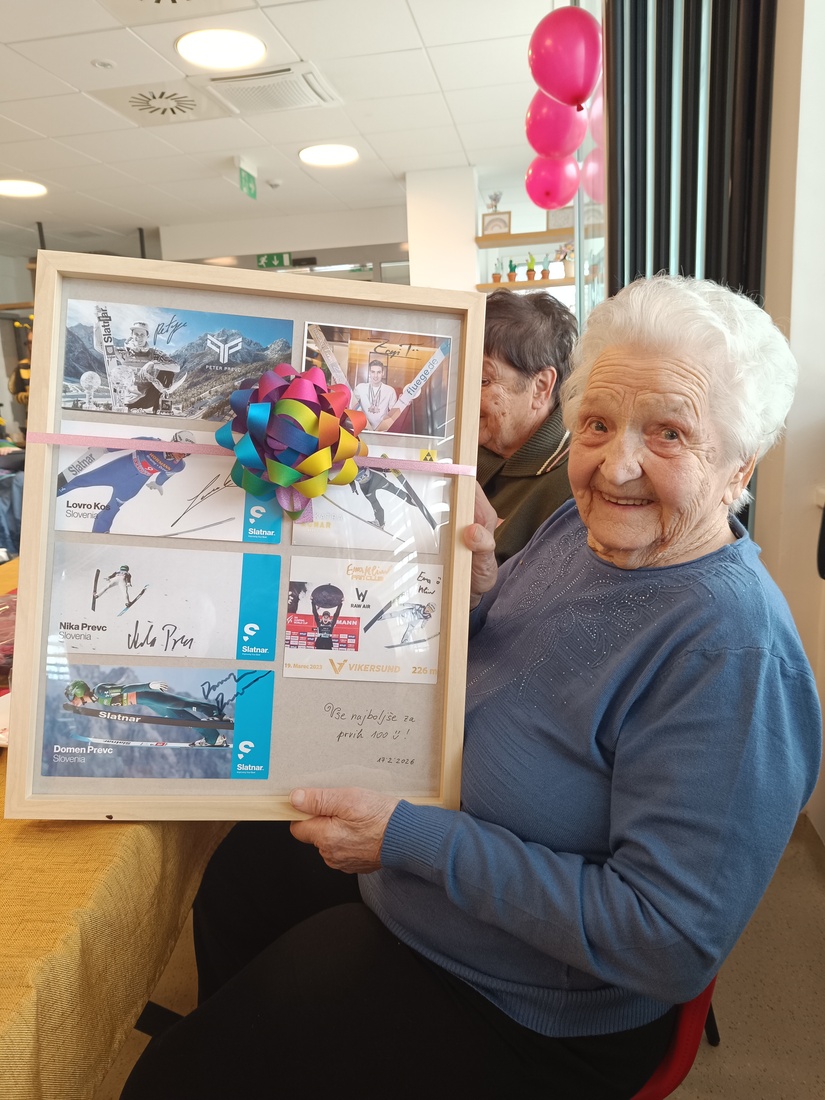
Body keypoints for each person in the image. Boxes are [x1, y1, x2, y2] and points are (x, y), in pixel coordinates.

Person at [121, 276, 821, 1100]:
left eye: (668, 432)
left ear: (739, 466)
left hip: (528, 1003)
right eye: (598, 423)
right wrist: (482, 592)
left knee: (174, 1079)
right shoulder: (579, 525)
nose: (617, 464)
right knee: (243, 875)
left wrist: (407, 838)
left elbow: (667, 942)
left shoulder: (731, 650)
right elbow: (520, 647)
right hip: (427, 871)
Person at [477, 288, 577, 563]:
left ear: (541, 387)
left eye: (483, 380)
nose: (460, 395)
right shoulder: (460, 447)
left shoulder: (573, 486)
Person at [351, 359, 397, 429]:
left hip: (382, 430)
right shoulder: (360, 388)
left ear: (383, 373)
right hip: (364, 428)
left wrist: (403, 402)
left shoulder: (390, 391)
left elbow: (394, 412)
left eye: (379, 372)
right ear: (369, 373)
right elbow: (352, 406)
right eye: (373, 372)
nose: (375, 375)